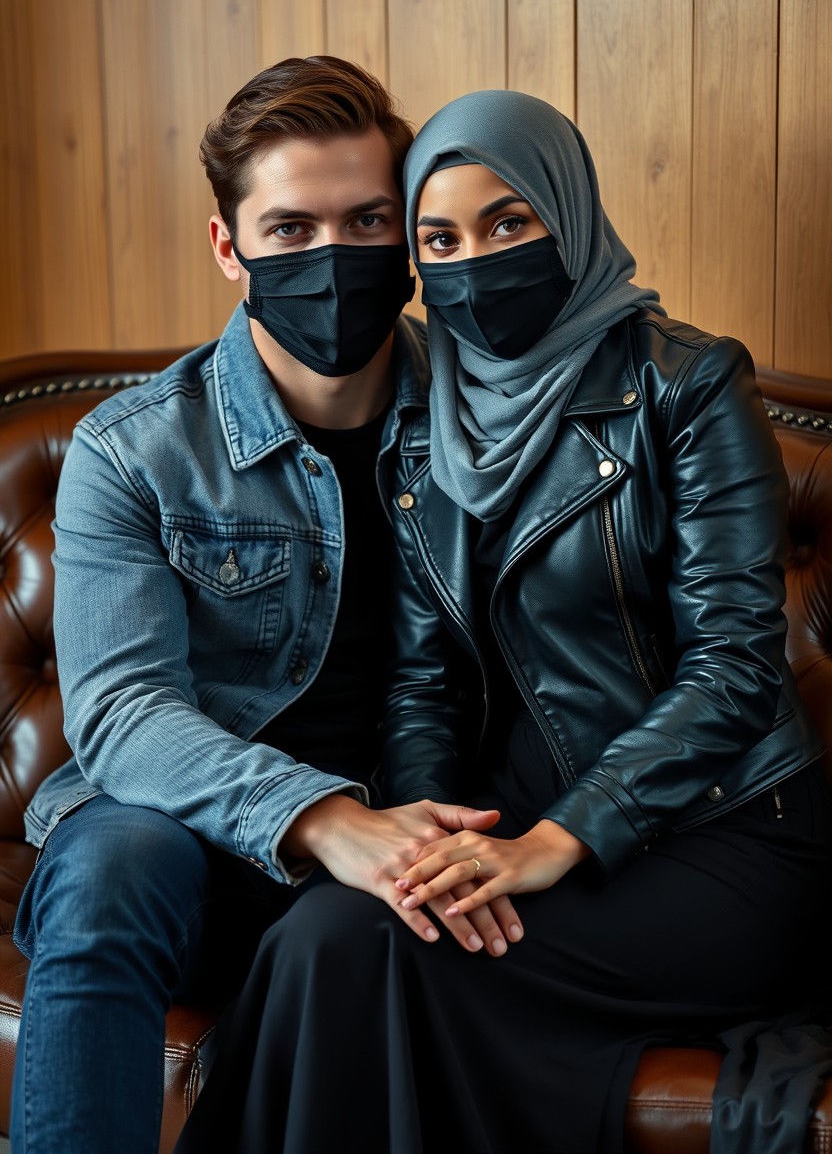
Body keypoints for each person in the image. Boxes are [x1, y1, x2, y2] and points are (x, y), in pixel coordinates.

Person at [173, 88, 832, 1154]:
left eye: (508, 223)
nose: (474, 261)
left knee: (368, 955)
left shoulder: (689, 385)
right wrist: (427, 831)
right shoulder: (430, 409)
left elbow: (734, 668)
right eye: (440, 239)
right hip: (510, 811)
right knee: (328, 930)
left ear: (566, 216)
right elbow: (421, 673)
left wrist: (553, 843)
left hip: (715, 830)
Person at [9, 57, 521, 1154]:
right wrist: (326, 820)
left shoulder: (492, 421)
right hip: (182, 835)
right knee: (108, 865)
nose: (332, 259)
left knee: (372, 928)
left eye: (367, 220)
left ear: (410, 233)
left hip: (408, 823)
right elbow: (122, 713)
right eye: (290, 229)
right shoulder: (134, 447)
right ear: (227, 249)